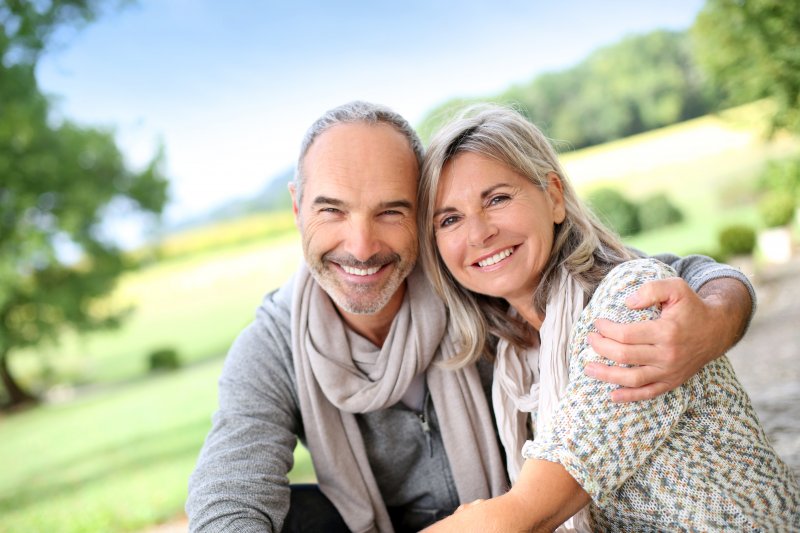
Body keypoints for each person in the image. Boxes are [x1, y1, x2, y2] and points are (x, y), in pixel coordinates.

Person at [186, 101, 757, 533]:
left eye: (391, 211)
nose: (361, 246)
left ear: (420, 215)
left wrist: (715, 317)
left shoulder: (469, 285)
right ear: (296, 207)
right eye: (332, 210)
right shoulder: (277, 342)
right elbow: (229, 492)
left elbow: (671, 275)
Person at [416, 104, 800, 531]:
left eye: (498, 199)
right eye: (449, 219)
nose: (478, 232)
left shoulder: (629, 306)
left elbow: (525, 515)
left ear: (555, 197)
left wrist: (723, 307)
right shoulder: (515, 358)